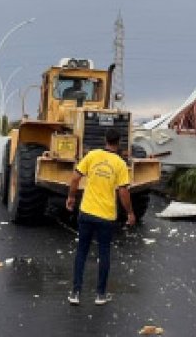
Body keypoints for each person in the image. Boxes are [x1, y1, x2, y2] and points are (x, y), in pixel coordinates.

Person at [65, 128, 134, 306]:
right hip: (106, 216)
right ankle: (100, 295)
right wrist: (130, 213)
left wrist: (71, 197)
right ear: (118, 143)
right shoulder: (120, 164)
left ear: (105, 140)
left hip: (86, 212)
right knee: (104, 254)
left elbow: (74, 178)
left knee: (82, 252)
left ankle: (75, 293)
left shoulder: (92, 155)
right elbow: (123, 191)